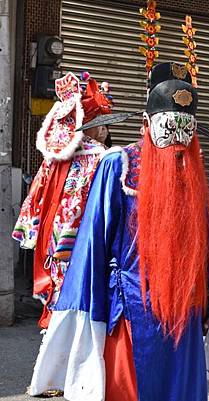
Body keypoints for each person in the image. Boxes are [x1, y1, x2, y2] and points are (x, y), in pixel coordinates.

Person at [27, 62, 209, 400]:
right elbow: (94, 244)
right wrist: (87, 311)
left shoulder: (191, 169)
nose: (178, 146)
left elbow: (206, 241)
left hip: (185, 312)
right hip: (133, 310)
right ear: (146, 124)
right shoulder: (118, 165)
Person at [12, 72, 113, 328]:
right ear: (86, 122)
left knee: (58, 291)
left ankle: (54, 337)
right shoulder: (101, 156)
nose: (105, 128)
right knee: (82, 296)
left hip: (53, 236)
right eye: (100, 120)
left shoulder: (55, 156)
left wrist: (32, 229)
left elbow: (36, 195)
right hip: (85, 238)